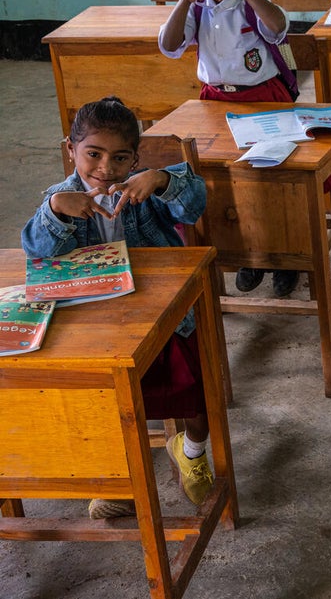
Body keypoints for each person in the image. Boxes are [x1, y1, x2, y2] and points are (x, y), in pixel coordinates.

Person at [22, 97, 215, 520]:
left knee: (195, 400)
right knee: (108, 408)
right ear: (71, 149)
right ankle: (121, 478)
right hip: (100, 325)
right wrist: (57, 212)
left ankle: (191, 449)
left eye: (120, 157)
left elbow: (194, 202)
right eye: (93, 154)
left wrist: (162, 180)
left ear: (135, 157)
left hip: (165, 315)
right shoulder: (59, 198)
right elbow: (37, 254)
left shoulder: (146, 188)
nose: (106, 167)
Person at [157, 0, 301, 298]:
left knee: (272, 179)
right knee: (226, 184)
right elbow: (169, 45)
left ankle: (289, 258)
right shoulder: (195, 8)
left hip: (264, 100)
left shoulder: (251, 2)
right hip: (214, 103)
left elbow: (279, 27)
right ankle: (249, 256)